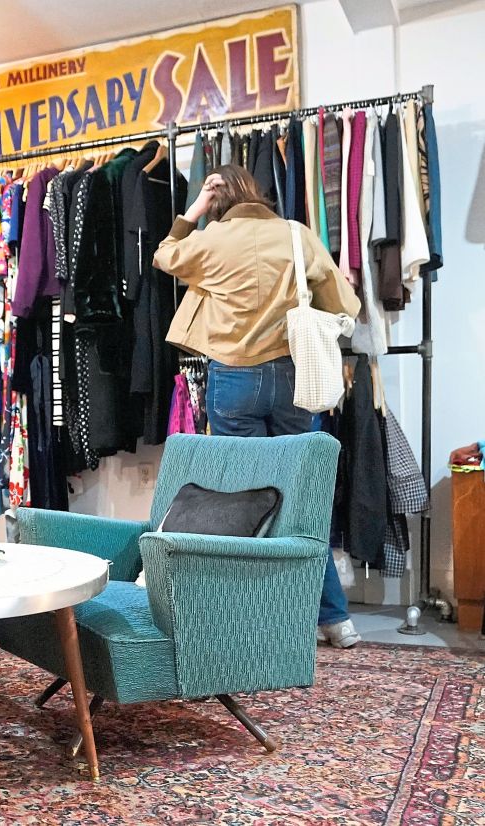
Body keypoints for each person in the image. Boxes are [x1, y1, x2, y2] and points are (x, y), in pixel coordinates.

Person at [153, 164, 363, 649]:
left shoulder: (211, 242)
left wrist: (197, 209)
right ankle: (335, 619)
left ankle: (249, 615)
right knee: (302, 494)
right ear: (259, 195)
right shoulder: (296, 235)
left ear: (220, 204)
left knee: (243, 499)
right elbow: (342, 303)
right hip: (295, 375)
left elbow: (165, 255)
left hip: (235, 378)